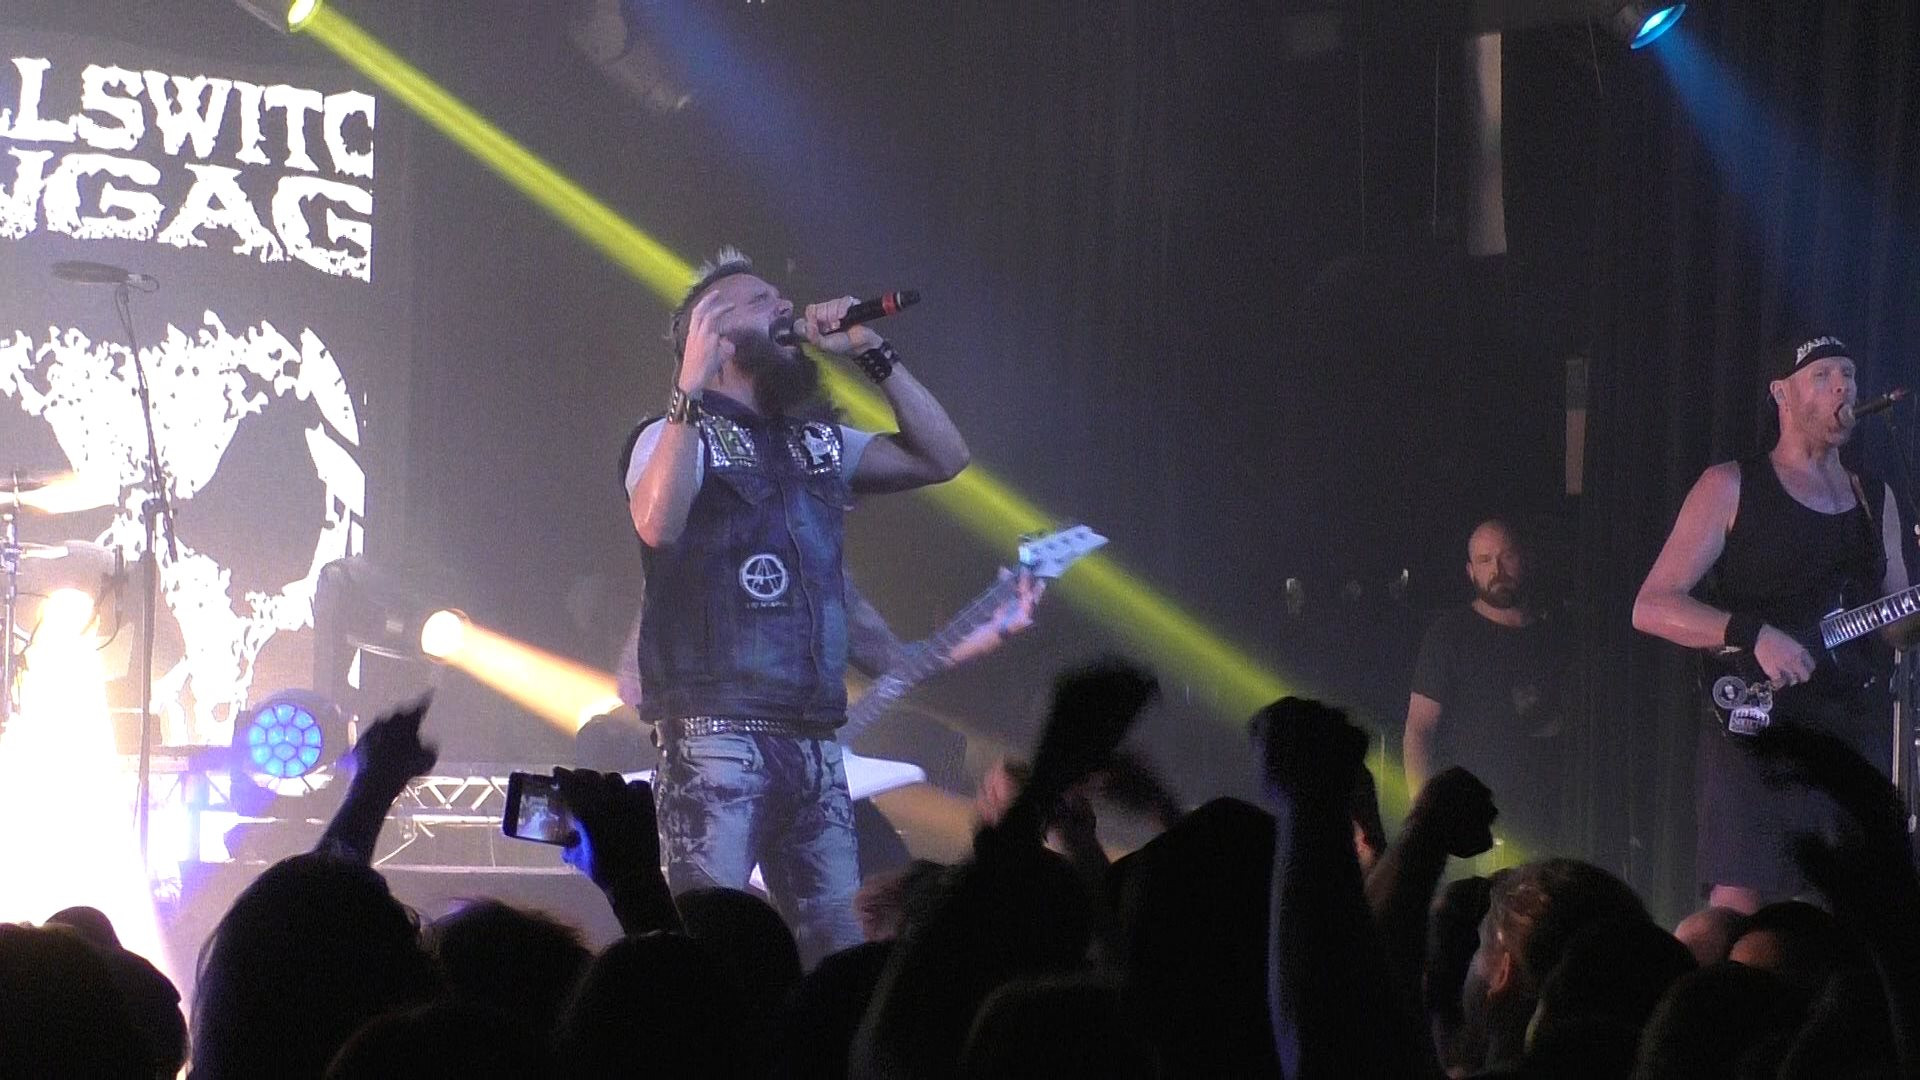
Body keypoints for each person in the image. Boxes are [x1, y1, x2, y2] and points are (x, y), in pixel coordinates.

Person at [620, 247, 971, 962]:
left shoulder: (816, 443)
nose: (785, 307)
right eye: (761, 301)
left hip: (814, 739)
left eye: (781, 298)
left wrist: (869, 350)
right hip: (715, 736)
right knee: (706, 944)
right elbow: (658, 522)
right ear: (713, 335)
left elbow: (943, 458)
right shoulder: (670, 434)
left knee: (838, 948)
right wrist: (688, 386)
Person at [1633, 334, 1915, 912]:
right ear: (1780, 394)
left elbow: (1895, 628)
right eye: (1822, 375)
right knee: (1738, 907)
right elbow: (1653, 605)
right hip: (1756, 726)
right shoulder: (1730, 485)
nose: (1842, 387)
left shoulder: (1874, 495)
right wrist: (1753, 634)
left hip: (1847, 731)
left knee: (1841, 908)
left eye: (1849, 373)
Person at [1404, 518, 1567, 856]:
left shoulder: (1554, 637)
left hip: (1545, 820)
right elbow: (1419, 730)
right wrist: (1425, 820)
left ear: (1524, 559)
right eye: (1485, 560)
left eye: (1506, 556)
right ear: (1471, 571)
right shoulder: (1449, 635)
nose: (1497, 570)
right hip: (1473, 821)